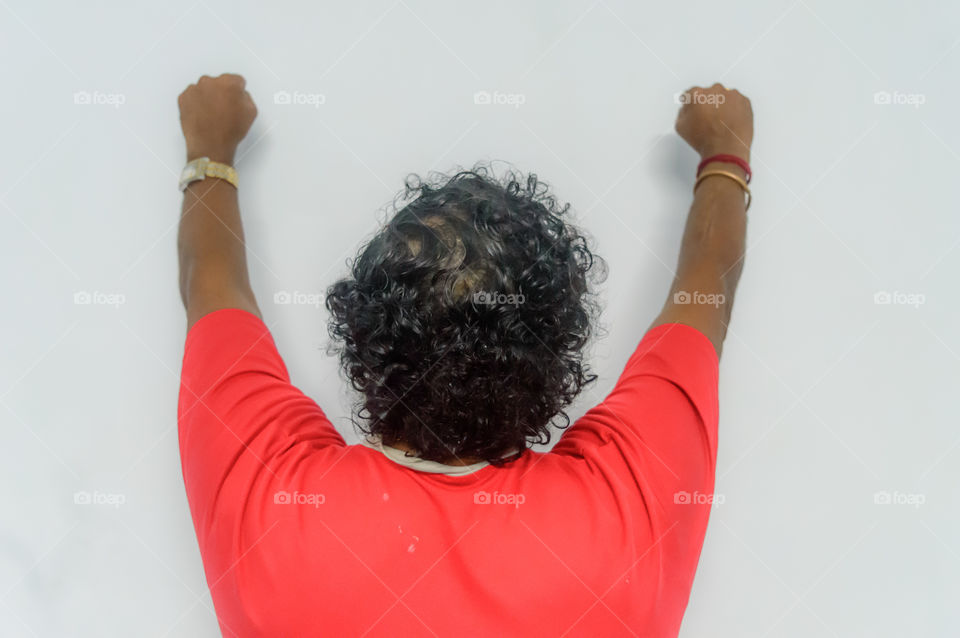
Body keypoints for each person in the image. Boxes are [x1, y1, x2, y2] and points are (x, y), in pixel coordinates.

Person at [176, 73, 752, 637]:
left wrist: (210, 150)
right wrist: (726, 155)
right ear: (558, 361)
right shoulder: (626, 517)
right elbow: (706, 292)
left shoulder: (272, 510)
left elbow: (212, 285)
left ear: (362, 341)